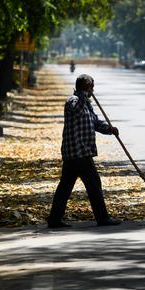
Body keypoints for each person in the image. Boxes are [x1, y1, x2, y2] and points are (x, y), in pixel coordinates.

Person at [47, 74, 122, 228]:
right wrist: (84, 94)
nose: (93, 91)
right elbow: (76, 109)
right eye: (91, 87)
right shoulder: (73, 101)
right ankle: (102, 218)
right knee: (94, 184)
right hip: (78, 153)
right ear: (84, 87)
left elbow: (95, 122)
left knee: (65, 187)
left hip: (78, 153)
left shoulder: (87, 105)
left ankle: (54, 220)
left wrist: (110, 129)